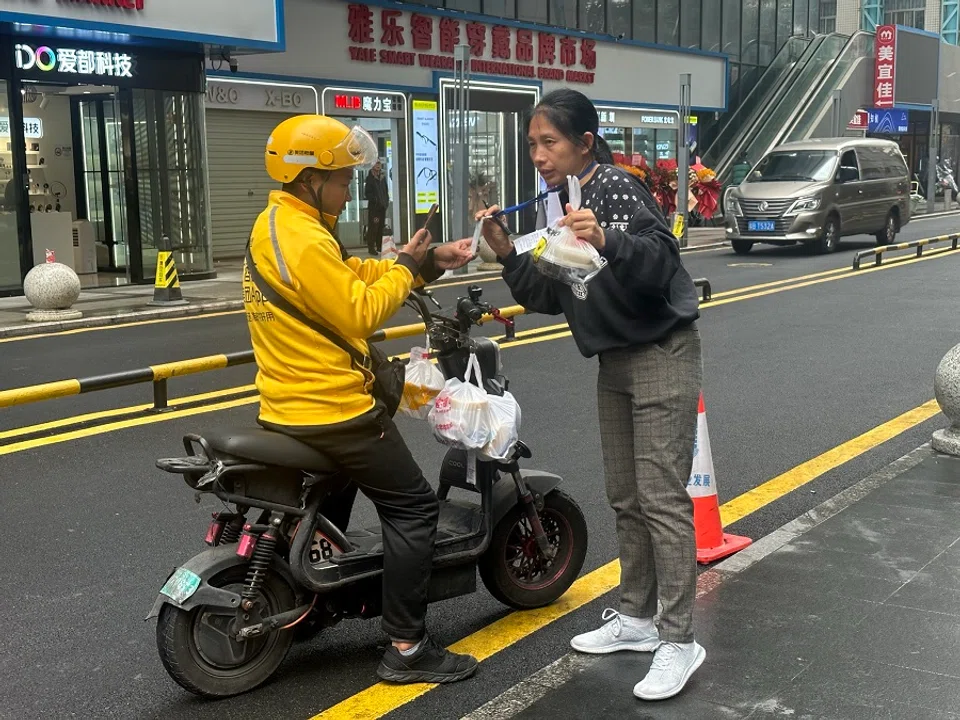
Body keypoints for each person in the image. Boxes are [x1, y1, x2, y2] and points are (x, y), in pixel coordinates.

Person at [476, 89, 705, 701]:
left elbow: (663, 261)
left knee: (661, 499)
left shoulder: (616, 189)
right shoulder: (562, 198)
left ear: (584, 142)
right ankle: (635, 617)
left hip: (660, 353)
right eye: (532, 144)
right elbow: (552, 294)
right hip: (614, 359)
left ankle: (679, 640)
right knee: (625, 496)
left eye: (549, 142)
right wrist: (506, 254)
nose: (539, 155)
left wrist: (607, 238)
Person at [243, 114, 477, 684]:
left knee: (336, 493)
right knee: (414, 507)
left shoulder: (282, 224)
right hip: (333, 408)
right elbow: (361, 309)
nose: (349, 189)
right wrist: (402, 273)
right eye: (342, 178)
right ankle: (406, 646)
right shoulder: (301, 235)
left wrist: (417, 266)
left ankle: (313, 601)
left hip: (286, 403)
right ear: (308, 179)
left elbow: (348, 276)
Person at [365, 158, 389, 255]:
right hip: (374, 208)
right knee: (373, 228)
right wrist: (375, 201)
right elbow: (367, 193)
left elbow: (385, 191)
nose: (378, 165)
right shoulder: (370, 178)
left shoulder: (382, 177)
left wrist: (386, 201)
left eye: (379, 163)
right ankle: (371, 247)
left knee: (380, 227)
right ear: (372, 165)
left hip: (382, 207)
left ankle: (380, 246)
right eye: (376, 163)